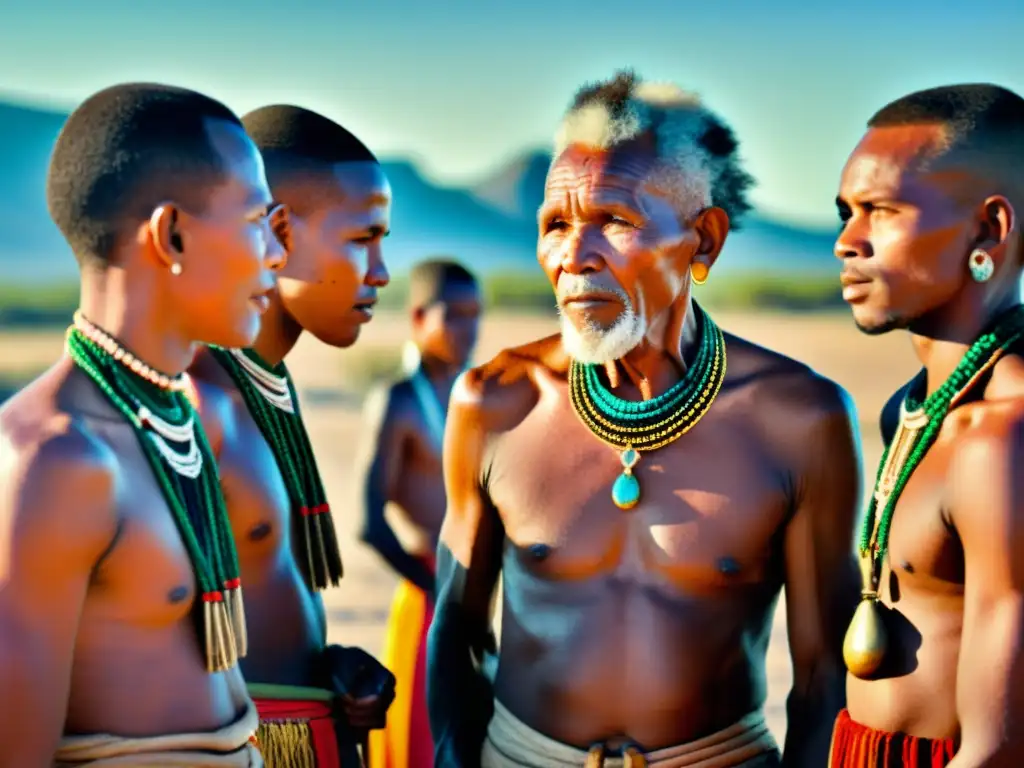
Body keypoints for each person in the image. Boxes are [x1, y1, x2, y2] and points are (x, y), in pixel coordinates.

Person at [427, 69, 863, 768]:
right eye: (556, 226)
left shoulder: (800, 420)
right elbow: (457, 629)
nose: (573, 257)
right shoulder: (496, 403)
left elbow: (822, 679)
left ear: (704, 242)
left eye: (616, 223)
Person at [0, 82, 286, 766]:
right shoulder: (56, 461)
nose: (276, 254)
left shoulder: (178, 418)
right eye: (256, 222)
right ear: (172, 234)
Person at [188, 104, 395, 768]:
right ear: (279, 232)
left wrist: (330, 670)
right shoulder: (196, 399)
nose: (382, 271)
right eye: (364, 239)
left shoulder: (265, 383)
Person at [831, 83, 1024, 768]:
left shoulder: (1003, 437)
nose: (845, 243)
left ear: (988, 231)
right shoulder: (913, 409)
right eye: (845, 212)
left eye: (880, 211)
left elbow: (1000, 747)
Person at [358, 258, 482, 768]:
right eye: (452, 315)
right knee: (422, 747)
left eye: (475, 314)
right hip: (430, 593)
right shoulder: (400, 401)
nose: (467, 328)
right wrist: (435, 589)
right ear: (417, 319)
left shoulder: (474, 393)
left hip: (482, 595)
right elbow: (370, 523)